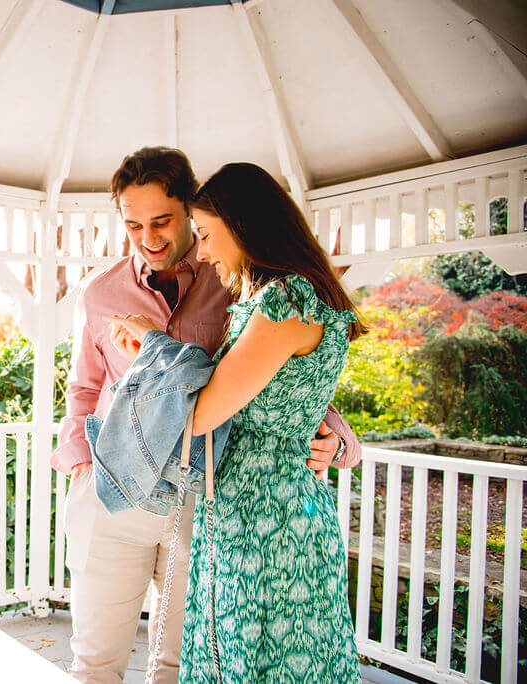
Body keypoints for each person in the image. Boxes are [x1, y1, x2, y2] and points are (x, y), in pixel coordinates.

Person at [52, 147, 360, 684]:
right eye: (132, 225)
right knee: (95, 662)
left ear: (194, 213)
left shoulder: (242, 282)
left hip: (207, 498)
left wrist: (339, 441)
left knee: (186, 661)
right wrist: (81, 460)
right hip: (115, 493)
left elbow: (281, 389)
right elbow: (83, 388)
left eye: (163, 221)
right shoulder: (100, 294)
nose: (147, 238)